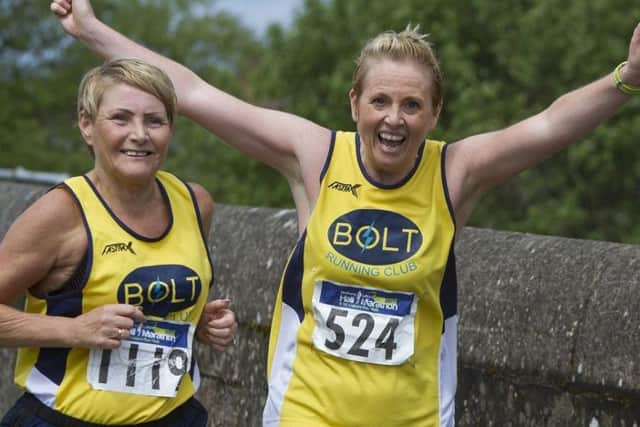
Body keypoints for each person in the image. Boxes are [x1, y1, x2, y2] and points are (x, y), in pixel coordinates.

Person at [50, 1, 640, 425]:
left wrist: (627, 77)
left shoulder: (454, 171)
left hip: (415, 417)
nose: (394, 118)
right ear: (354, 102)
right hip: (304, 411)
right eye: (380, 100)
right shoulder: (315, 155)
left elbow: (549, 124)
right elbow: (195, 93)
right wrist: (94, 31)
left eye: (412, 105)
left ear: (434, 114)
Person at [0, 57, 238, 427]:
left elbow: (156, 290)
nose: (139, 134)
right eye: (121, 118)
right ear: (87, 125)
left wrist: (198, 321)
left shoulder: (194, 203)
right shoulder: (61, 213)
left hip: (175, 417)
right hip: (64, 419)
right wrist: (75, 331)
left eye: (154, 120)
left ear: (170, 130)